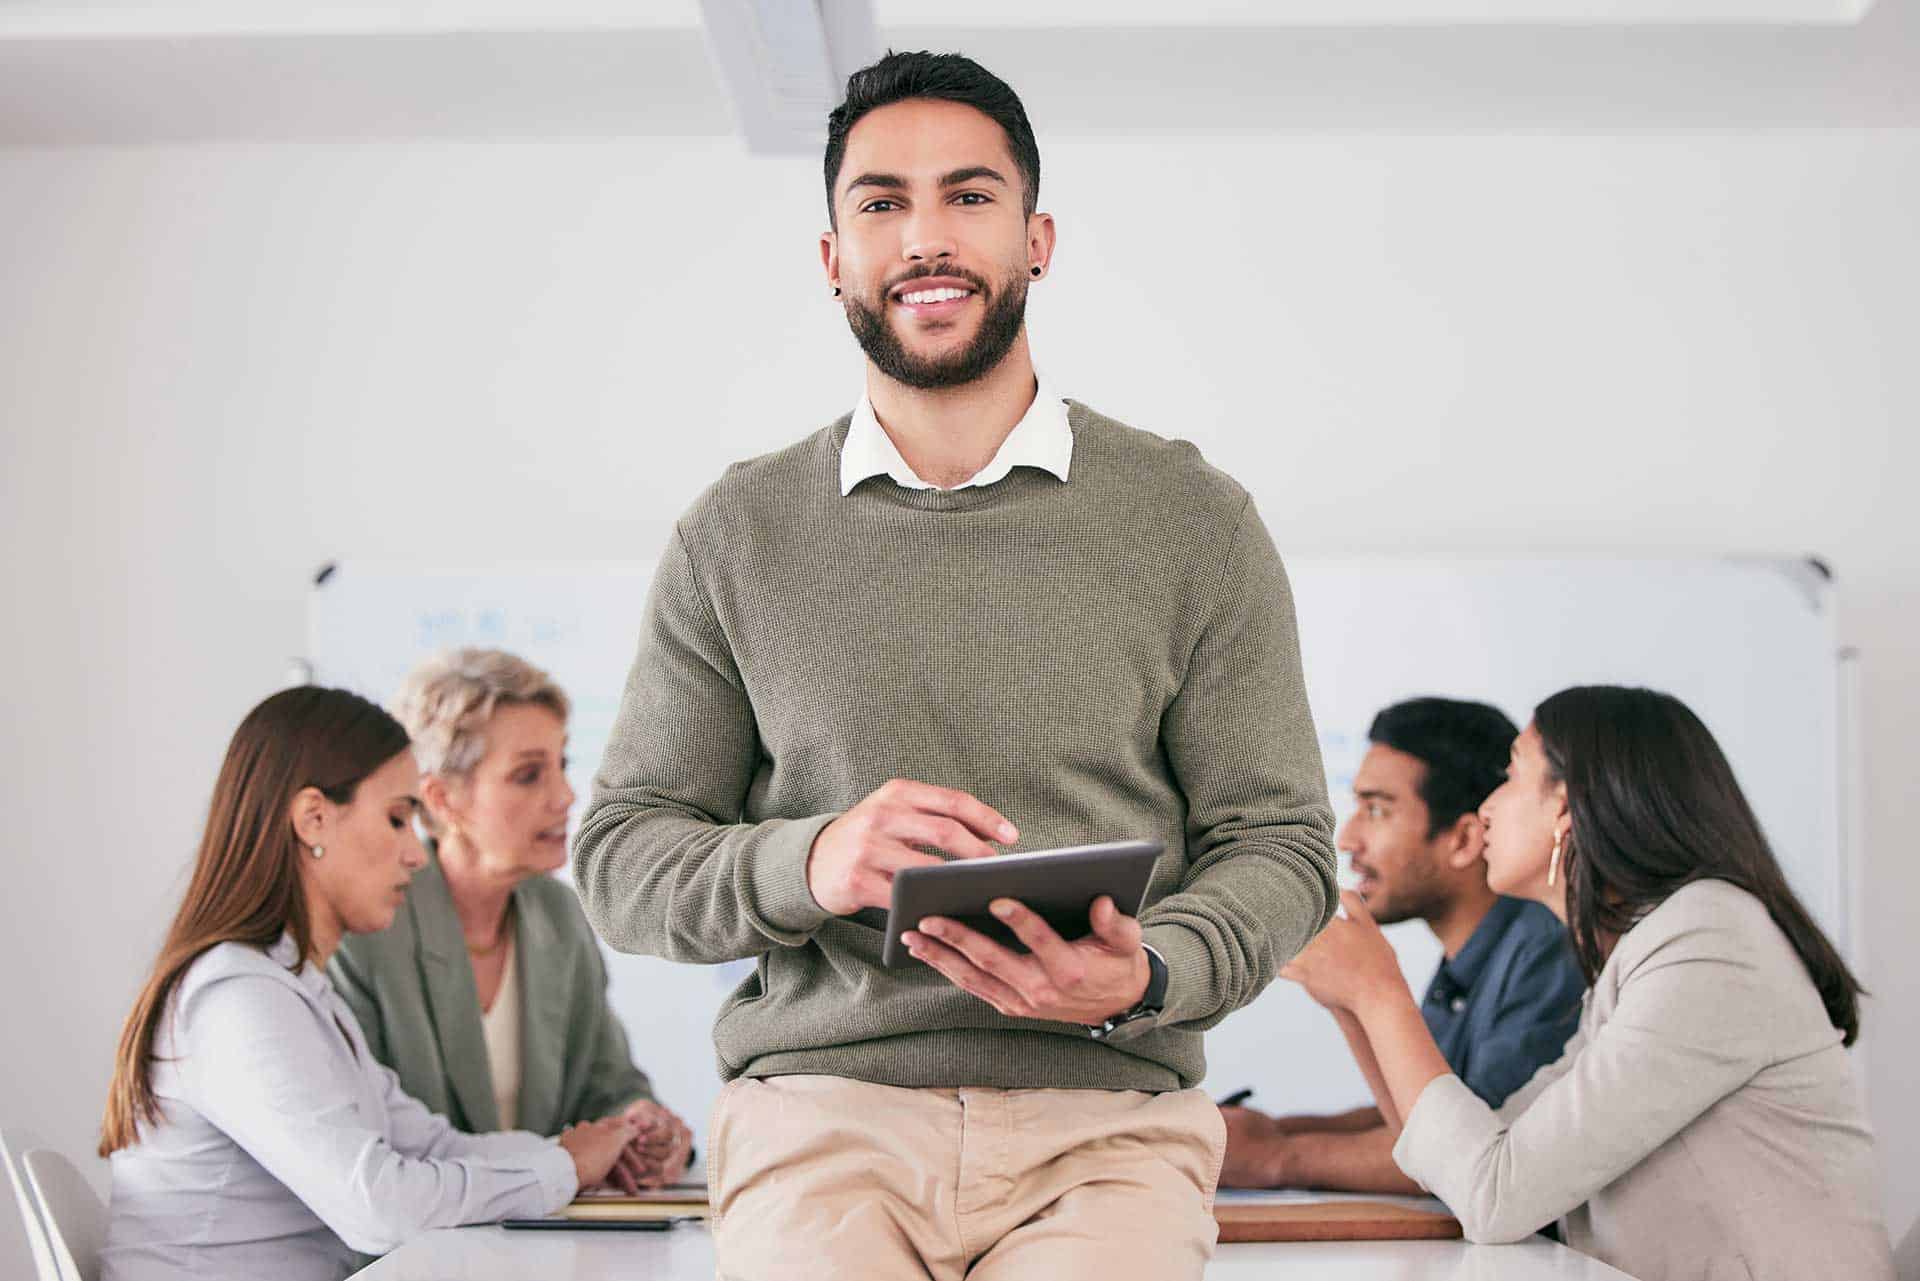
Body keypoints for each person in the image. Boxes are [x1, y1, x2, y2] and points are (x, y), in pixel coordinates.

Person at [571, 49, 1337, 1281]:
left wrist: (1149, 972)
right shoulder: (737, 534)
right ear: (833, 260)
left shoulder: (1196, 520)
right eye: (881, 204)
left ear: (1037, 239)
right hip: (822, 1119)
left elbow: (1285, 846)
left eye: (969, 198)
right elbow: (619, 860)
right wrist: (810, 859)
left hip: (1109, 1130)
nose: (926, 237)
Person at [1282, 685, 1895, 1281]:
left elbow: (1495, 1194)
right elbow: (1463, 1156)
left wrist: (1377, 993)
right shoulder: (1640, 956)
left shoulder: (1706, 939)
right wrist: (1349, 1001)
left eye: (1513, 777)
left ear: (1569, 808)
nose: (1488, 807)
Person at [97, 687, 638, 1281]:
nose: (416, 854)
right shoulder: (238, 999)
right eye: (397, 819)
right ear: (313, 819)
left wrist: (573, 1153)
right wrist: (562, 1168)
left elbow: (429, 1144)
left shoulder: (295, 988)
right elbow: (377, 1207)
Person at [332, 649, 692, 1188]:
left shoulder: (559, 915)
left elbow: (607, 1082)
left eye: (562, 766)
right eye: (528, 775)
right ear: (443, 799)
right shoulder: (369, 932)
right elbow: (369, 1149)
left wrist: (642, 1123)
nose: (565, 796)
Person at [1220, 697, 1583, 1193]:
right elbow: (1426, 1112)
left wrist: (1275, 1157)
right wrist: (1276, 1130)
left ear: (1463, 838)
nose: (1346, 839)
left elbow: (1468, 1149)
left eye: (1376, 810)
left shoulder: (1545, 952)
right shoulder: (1471, 958)